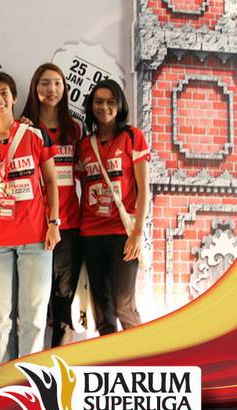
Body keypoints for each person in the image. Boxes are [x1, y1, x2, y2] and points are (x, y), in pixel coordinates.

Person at [0, 71, 60, 367]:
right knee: (1, 318)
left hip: (36, 238)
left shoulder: (36, 136)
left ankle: (29, 380)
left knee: (34, 317)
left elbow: (51, 182)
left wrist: (54, 223)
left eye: (4, 93)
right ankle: (4, 379)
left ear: (14, 97)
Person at [77, 79, 148, 334]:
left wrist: (137, 233)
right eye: (98, 101)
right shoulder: (84, 145)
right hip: (91, 234)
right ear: (90, 106)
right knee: (103, 312)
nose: (104, 107)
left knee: (123, 305)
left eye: (110, 101)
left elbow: (144, 189)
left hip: (122, 233)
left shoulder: (132, 136)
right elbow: (82, 186)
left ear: (119, 104)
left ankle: (144, 355)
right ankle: (112, 358)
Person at [21, 63, 83, 347]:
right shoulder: (25, 127)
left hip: (69, 222)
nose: (51, 89)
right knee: (36, 298)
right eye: (45, 83)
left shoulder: (75, 128)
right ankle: (32, 357)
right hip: (35, 223)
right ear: (35, 88)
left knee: (64, 297)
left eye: (57, 83)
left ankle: (60, 352)